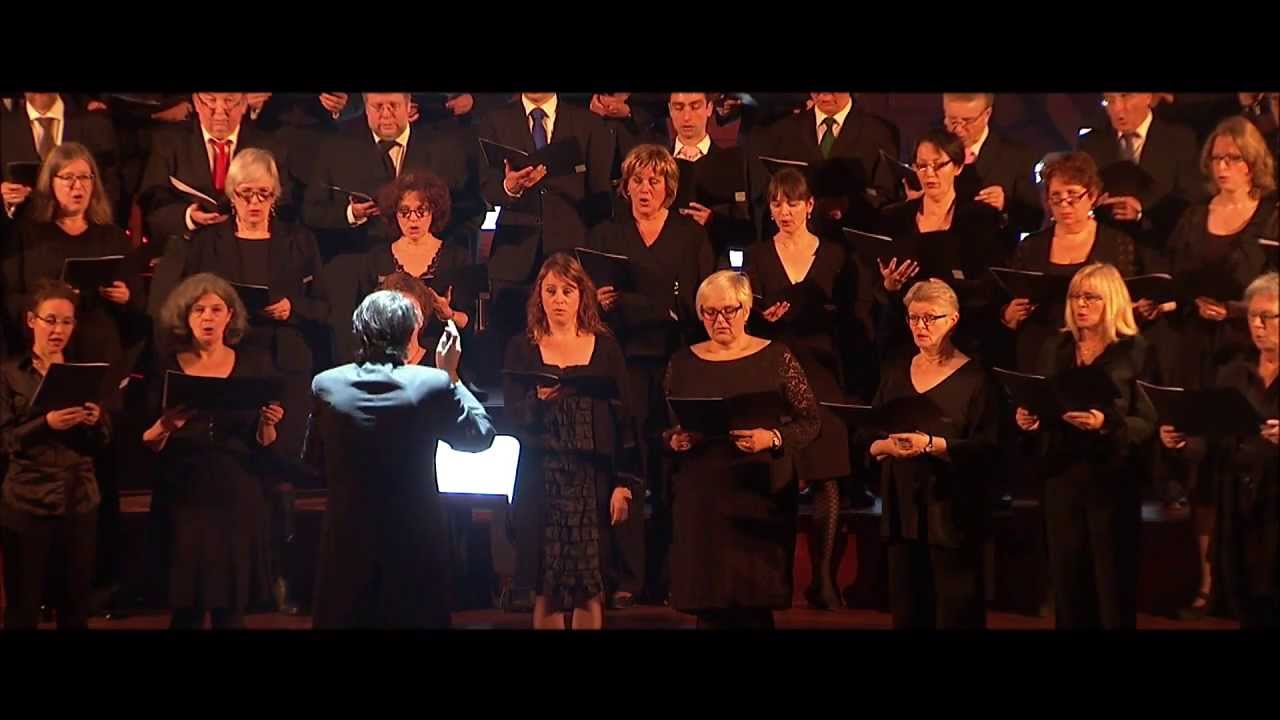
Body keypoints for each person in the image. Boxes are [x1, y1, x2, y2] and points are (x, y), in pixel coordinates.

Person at [149, 148, 328, 614]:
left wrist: (296, 308)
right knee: (239, 471)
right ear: (231, 197)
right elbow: (189, 299)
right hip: (228, 365)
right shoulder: (210, 243)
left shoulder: (297, 239)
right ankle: (237, 583)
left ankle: (280, 579)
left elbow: (326, 306)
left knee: (280, 469)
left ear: (275, 198)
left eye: (263, 194)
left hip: (284, 364)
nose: (254, 202)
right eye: (245, 193)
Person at [307, 291, 494, 628]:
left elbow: (313, 459)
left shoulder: (327, 384)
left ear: (360, 331)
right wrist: (451, 375)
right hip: (414, 541)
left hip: (347, 541)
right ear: (411, 335)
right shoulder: (431, 382)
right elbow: (480, 435)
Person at [1157, 117, 1277, 619]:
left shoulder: (1271, 216)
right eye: (1218, 159)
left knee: (1246, 462)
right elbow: (1174, 275)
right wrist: (1169, 302)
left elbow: (1273, 288)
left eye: (1234, 159)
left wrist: (1230, 311)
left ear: (1254, 165)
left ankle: (1250, 577)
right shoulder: (1192, 215)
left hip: (1246, 351)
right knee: (1200, 463)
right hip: (1194, 347)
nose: (1224, 167)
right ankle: (1208, 580)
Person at [586, 144, 714, 604]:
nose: (645, 189)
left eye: (654, 181)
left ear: (669, 187)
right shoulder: (607, 234)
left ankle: (671, 576)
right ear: (626, 187)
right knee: (630, 467)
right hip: (623, 365)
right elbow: (589, 302)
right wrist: (598, 302)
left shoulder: (689, 236)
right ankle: (629, 578)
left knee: (673, 470)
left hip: (674, 363)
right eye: (637, 181)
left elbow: (703, 302)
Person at [663, 270, 820, 629]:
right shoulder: (683, 362)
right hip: (704, 493)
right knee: (710, 602)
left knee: (753, 601)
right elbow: (662, 425)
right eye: (709, 312)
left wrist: (773, 438)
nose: (720, 320)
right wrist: (674, 439)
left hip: (756, 490)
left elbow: (811, 421)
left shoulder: (776, 356)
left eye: (729, 311)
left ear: (747, 309)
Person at [1014, 263, 1156, 629]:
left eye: (1090, 296)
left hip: (1112, 477)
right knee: (1067, 580)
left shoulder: (1135, 350)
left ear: (1111, 300)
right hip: (1061, 473)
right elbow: (1044, 397)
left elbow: (1148, 421)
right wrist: (1030, 419)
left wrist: (1106, 423)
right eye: (1075, 296)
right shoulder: (1057, 346)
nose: (1080, 304)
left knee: (1111, 584)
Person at [503, 253, 637, 629]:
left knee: (589, 586)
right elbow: (512, 415)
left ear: (582, 296)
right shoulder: (522, 347)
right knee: (547, 585)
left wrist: (623, 483)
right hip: (541, 480)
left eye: (567, 290)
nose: (559, 299)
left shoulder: (605, 347)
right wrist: (537, 402)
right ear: (539, 297)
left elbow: (625, 419)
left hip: (591, 481)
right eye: (551, 291)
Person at [142, 273, 282, 629]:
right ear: (185, 317)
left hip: (236, 490)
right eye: (199, 310)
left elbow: (263, 442)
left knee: (230, 608)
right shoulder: (166, 365)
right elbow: (146, 440)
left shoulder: (254, 363)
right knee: (185, 608)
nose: (207, 317)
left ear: (229, 316)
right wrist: (166, 427)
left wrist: (269, 423)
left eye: (216, 309)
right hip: (184, 490)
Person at [745, 167, 852, 609]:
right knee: (781, 476)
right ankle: (780, 578)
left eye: (792, 203)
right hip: (774, 368)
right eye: (776, 203)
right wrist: (761, 316)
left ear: (809, 206)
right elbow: (745, 310)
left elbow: (851, 314)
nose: (784, 211)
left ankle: (824, 579)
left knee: (825, 475)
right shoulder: (757, 254)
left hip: (822, 367)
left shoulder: (835, 255)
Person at [867, 278, 998, 628]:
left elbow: (989, 447)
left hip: (951, 507)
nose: (920, 326)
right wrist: (882, 446)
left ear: (953, 320)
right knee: (908, 608)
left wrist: (934, 445)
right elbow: (870, 431)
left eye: (930, 318)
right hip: (903, 505)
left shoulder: (976, 378)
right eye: (913, 318)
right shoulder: (896, 371)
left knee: (954, 609)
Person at [1159, 272, 1279, 628]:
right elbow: (1211, 440)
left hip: (1276, 504)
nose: (1257, 326)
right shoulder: (1233, 373)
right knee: (1244, 597)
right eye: (1253, 317)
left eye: (1268, 317)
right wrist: (1183, 441)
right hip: (1237, 503)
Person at [1, 280, 108, 629]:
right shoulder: (10, 374)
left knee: (75, 606)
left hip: (79, 499)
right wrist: (45, 423)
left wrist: (96, 420)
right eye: (50, 320)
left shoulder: (84, 372)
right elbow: (6, 441)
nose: (58, 329)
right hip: (28, 501)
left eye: (66, 322)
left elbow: (104, 441)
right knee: (23, 607)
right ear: (32, 320)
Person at [999, 152, 1137, 374]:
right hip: (1039, 351)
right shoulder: (1031, 246)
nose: (1064, 205)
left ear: (1092, 196)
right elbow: (1010, 298)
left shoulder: (1116, 243)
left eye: (1072, 196)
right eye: (1056, 197)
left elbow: (1124, 303)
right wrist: (1010, 314)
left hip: (1097, 356)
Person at [875, 129, 1005, 363]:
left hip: (964, 336)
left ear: (957, 167)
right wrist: (889, 285)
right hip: (904, 337)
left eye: (938, 165)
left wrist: (950, 289)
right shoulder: (893, 217)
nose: (929, 174)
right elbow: (876, 285)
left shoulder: (981, 218)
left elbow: (992, 285)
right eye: (922, 166)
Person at [138, 93, 290, 251]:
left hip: (249, 247)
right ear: (196, 102)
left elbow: (283, 202)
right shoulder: (168, 142)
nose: (219, 112)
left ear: (244, 104)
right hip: (186, 247)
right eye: (210, 101)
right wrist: (189, 215)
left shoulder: (271, 147)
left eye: (229, 101)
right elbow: (152, 200)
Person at [1077, 92, 1207, 271]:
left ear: (1148, 97)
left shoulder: (1179, 140)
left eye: (1125, 97)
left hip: (1160, 255)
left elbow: (1192, 202)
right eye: (1110, 100)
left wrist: (1142, 211)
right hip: (1105, 261)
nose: (1117, 108)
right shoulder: (1091, 144)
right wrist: (1091, 204)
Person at [354, 171, 473, 365]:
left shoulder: (456, 258)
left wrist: (449, 314)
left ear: (434, 211)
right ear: (395, 213)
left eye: (421, 211)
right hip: (390, 359)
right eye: (405, 212)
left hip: (441, 356)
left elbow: (469, 322)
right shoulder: (376, 258)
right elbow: (363, 318)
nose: (413, 219)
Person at [942, 93, 1044, 257]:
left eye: (967, 121)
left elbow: (1034, 220)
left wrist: (1005, 205)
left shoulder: (1015, 156)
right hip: (940, 257)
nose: (959, 129)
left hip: (992, 262)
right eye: (952, 120)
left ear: (987, 114)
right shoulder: (932, 149)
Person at [0, 93, 120, 225]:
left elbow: (111, 189)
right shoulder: (5, 129)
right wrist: (4, 199)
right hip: (21, 238)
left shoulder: (96, 126)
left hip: (83, 238)